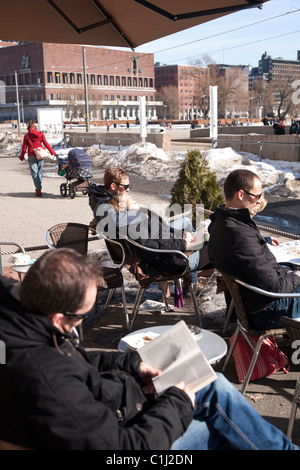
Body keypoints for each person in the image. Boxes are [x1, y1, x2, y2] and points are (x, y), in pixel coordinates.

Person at [0, 247, 297, 450]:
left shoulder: (24, 320)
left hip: (114, 406)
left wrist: (129, 365)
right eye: (83, 316)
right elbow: (123, 448)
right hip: (123, 432)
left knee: (213, 383)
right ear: (57, 317)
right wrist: (178, 402)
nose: (84, 320)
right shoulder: (44, 376)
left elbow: (72, 361)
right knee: (221, 427)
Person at [208, 169, 300, 330]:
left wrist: (264, 242)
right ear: (241, 195)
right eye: (257, 196)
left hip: (254, 302)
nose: (259, 201)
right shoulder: (239, 233)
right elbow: (275, 287)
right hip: (268, 310)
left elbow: (245, 251)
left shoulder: (221, 222)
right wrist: (297, 276)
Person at [88, 167, 209, 289]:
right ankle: (191, 283)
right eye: (125, 187)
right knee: (215, 247)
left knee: (191, 228)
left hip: (164, 250)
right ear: (113, 186)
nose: (128, 190)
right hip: (168, 258)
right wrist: (139, 213)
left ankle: (190, 283)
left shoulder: (108, 203)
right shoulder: (112, 211)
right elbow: (151, 245)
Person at [18, 120, 56, 197]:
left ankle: (38, 189)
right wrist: (52, 152)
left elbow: (24, 148)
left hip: (32, 155)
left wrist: (21, 156)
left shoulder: (27, 136)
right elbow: (46, 144)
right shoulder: (40, 134)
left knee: (34, 173)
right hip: (40, 155)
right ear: (35, 127)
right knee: (39, 172)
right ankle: (39, 188)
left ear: (28, 128)